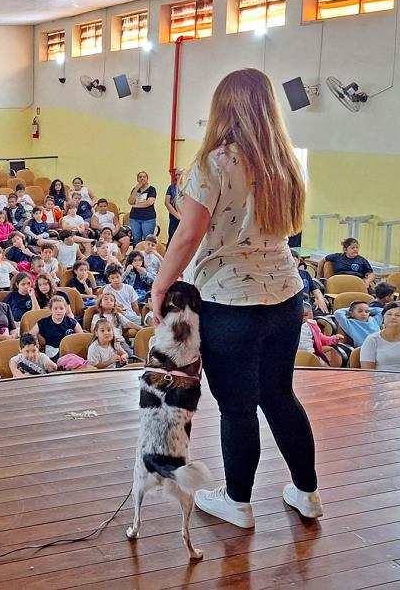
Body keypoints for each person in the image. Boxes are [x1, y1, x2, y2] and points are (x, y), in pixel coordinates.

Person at [150, 68, 321, 529]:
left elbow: (189, 234)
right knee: (280, 397)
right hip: (286, 296)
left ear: (221, 107)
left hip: (231, 302)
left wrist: (162, 284)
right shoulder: (286, 162)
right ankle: (307, 493)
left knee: (238, 408)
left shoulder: (214, 163)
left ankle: (239, 502)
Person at [31, 295, 82, 359]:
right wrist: (36, 342)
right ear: (50, 309)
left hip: (69, 350)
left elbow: (81, 337)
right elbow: (31, 334)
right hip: (52, 351)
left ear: (65, 309)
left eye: (61, 308)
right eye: (55, 308)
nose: (59, 311)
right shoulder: (43, 322)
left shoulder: (72, 322)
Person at [127, 171, 157, 242]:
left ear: (147, 179)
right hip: (134, 218)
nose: (142, 178)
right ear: (137, 179)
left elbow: (149, 202)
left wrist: (135, 206)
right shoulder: (135, 189)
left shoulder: (152, 189)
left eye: (144, 177)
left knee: (147, 239)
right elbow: (130, 201)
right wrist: (136, 189)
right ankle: (137, 253)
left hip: (148, 218)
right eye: (140, 177)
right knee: (136, 239)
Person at [164, 169, 184, 244]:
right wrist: (177, 215)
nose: (180, 176)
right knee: (172, 237)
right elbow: (167, 202)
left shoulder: (189, 186)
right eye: (178, 174)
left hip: (186, 216)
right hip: (174, 216)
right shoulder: (171, 187)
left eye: (182, 174)